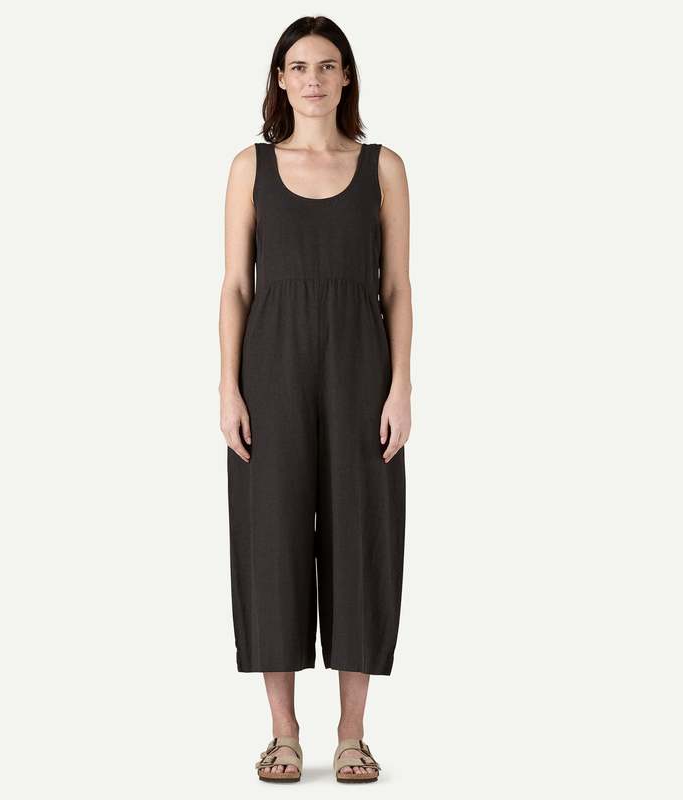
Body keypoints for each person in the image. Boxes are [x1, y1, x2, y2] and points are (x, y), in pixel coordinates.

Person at [219, 15, 412, 784]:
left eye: (327, 65)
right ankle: (283, 733)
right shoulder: (251, 166)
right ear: (279, 78)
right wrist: (228, 386)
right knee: (271, 536)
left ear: (346, 77)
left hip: (362, 368)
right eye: (298, 66)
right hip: (270, 367)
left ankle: (353, 735)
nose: (312, 79)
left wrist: (401, 385)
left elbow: (397, 287)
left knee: (363, 533)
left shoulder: (383, 167)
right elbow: (235, 286)